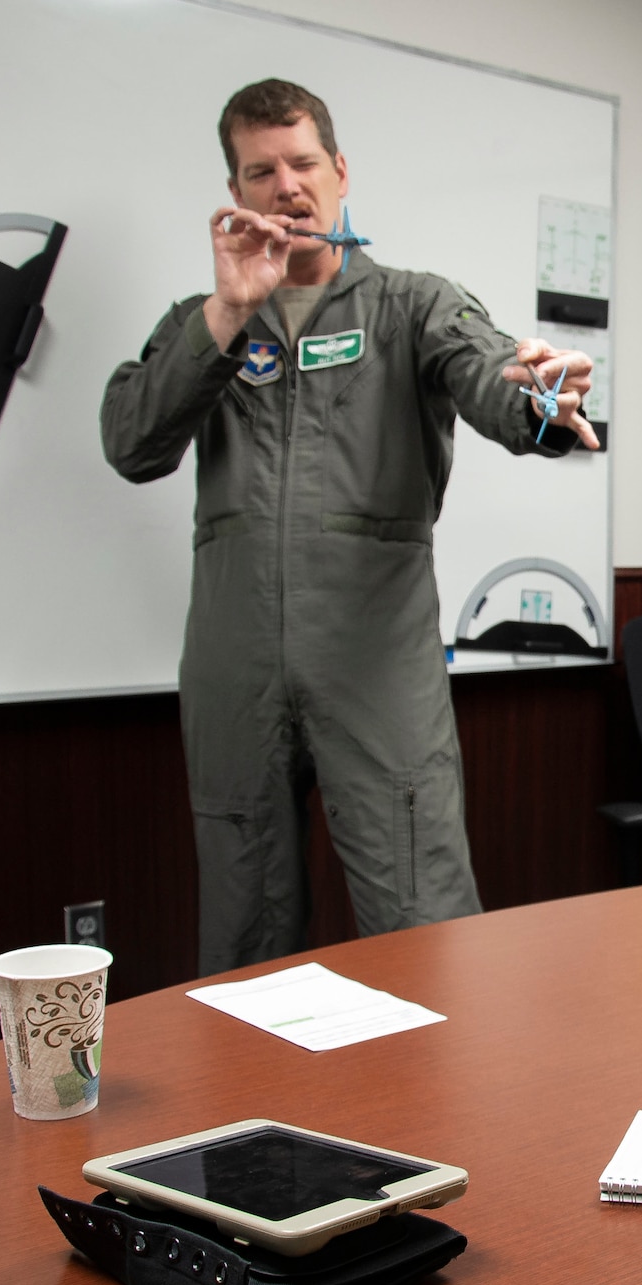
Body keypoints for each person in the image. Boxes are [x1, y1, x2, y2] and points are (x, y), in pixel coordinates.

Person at [101, 79, 599, 975]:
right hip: (234, 668)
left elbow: (489, 373)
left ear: (339, 171)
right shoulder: (201, 325)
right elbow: (132, 442)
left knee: (421, 924)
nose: (285, 185)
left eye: (301, 163)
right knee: (244, 935)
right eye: (261, 171)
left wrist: (539, 398)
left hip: (377, 663)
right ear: (237, 193)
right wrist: (227, 312)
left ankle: (435, 1116)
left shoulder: (411, 306)